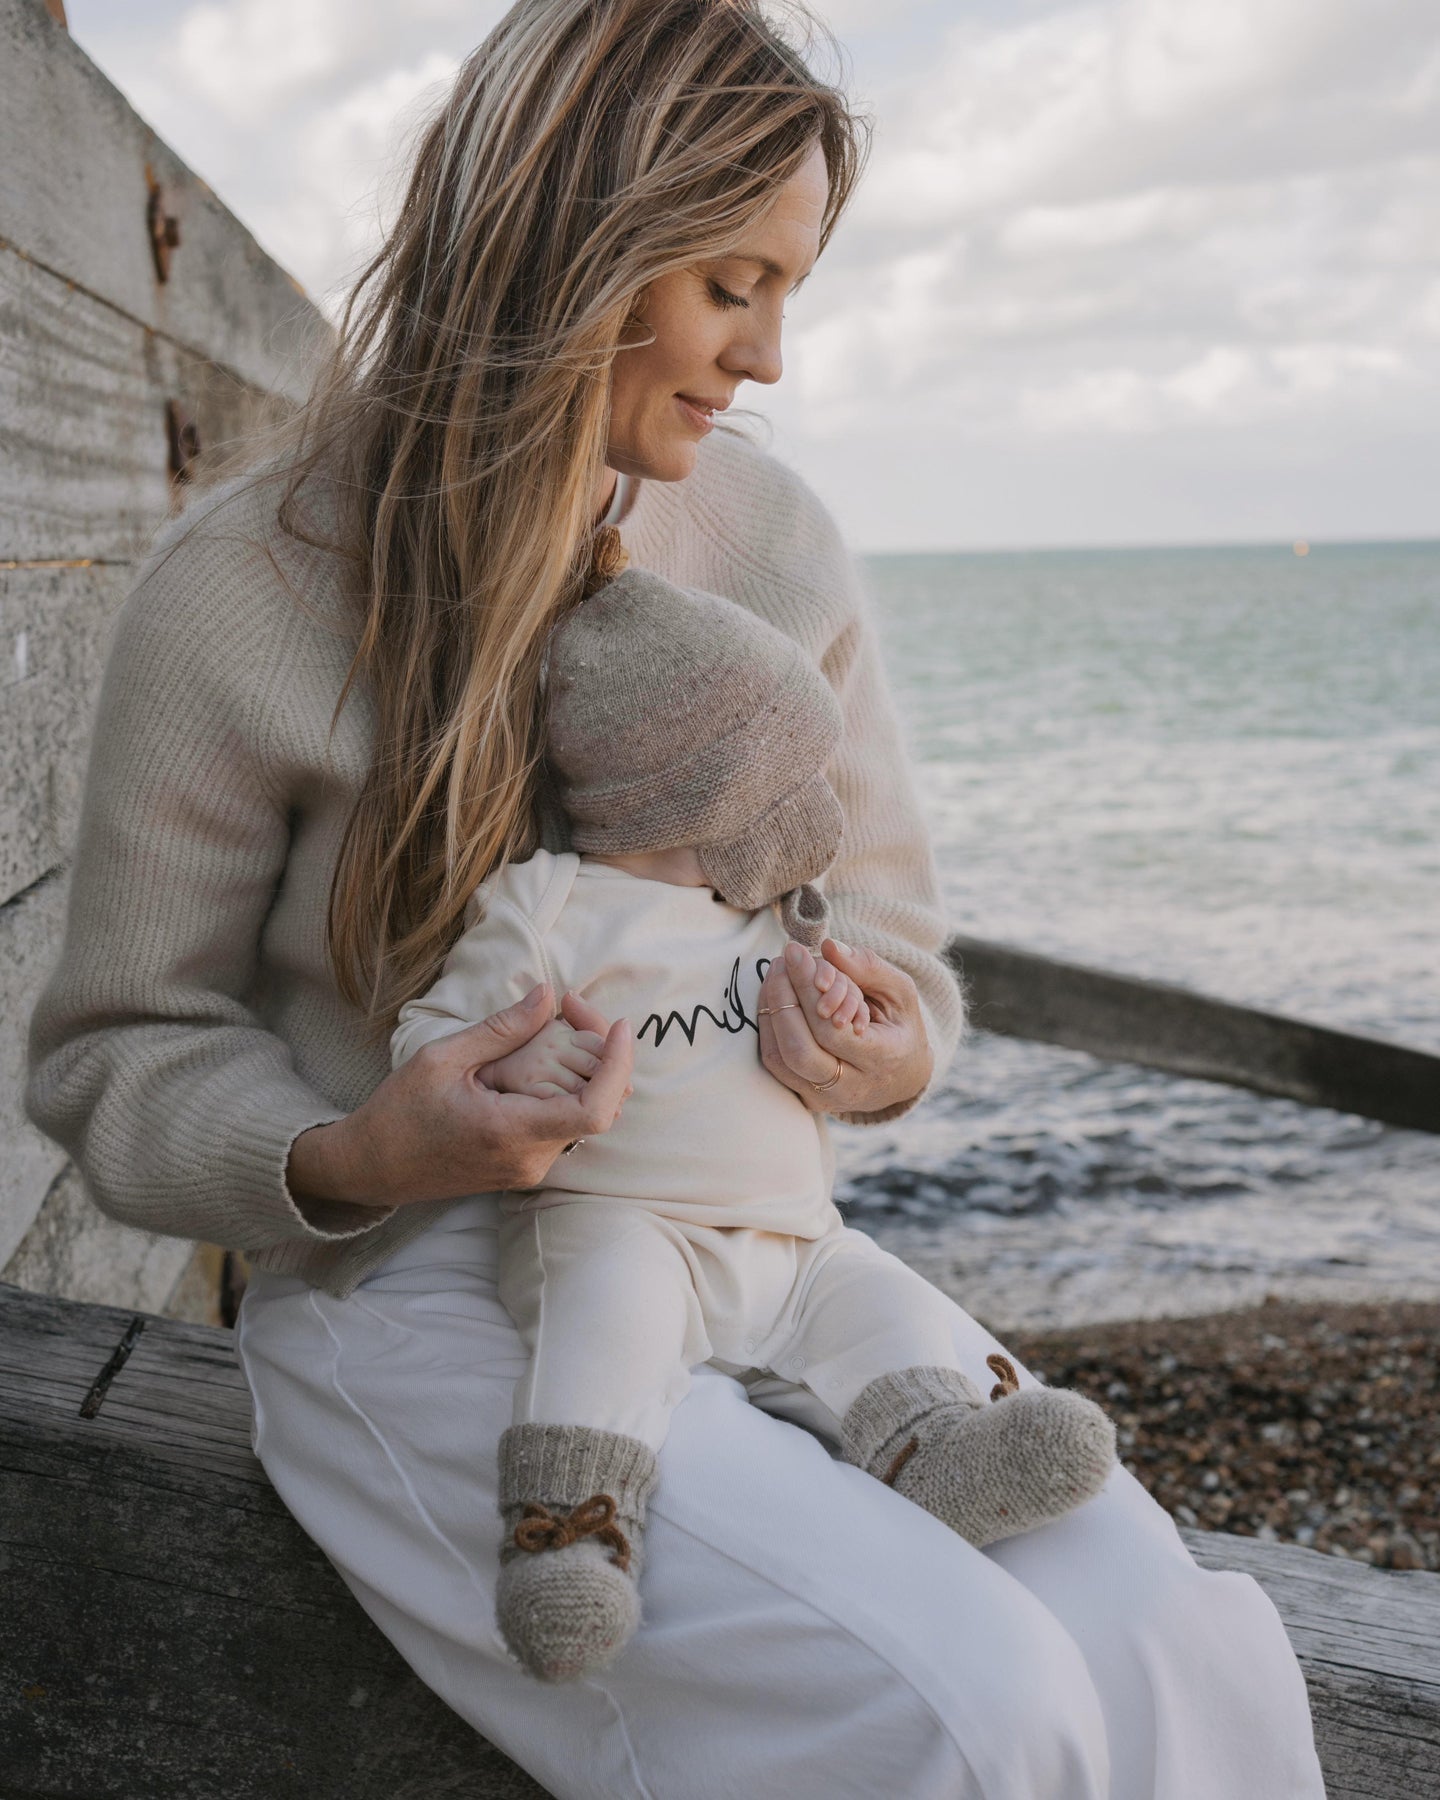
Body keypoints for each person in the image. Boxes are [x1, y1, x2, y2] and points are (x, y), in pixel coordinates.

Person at [24, 1, 1326, 1793]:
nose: (773, 357)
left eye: (791, 289)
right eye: (733, 283)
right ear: (578, 244)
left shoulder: (776, 542)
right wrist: (357, 1152)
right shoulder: (240, 591)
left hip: (758, 1245)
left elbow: (895, 949)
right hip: (399, 1296)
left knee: (1171, 1643)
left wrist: (875, 1048)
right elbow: (119, 1051)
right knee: (977, 1707)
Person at [389, 558, 1117, 1682]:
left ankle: (936, 1448)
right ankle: (571, 1530)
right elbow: (431, 1047)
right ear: (702, 794)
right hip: (622, 1219)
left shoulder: (776, 915)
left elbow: (871, 1017)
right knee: (605, 1327)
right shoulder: (549, 904)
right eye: (789, 778)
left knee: (884, 1298)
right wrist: (516, 1060)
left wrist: (852, 1022)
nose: (816, 806)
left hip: (794, 1241)